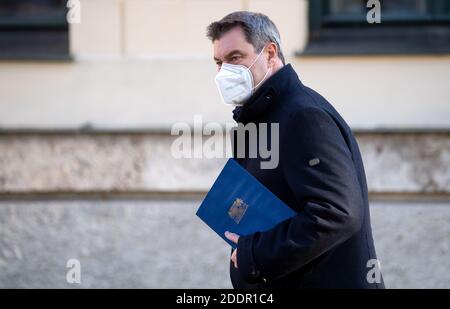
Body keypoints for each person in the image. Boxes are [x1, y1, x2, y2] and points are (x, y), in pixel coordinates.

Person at [206, 11, 385, 289]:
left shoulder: (302, 115)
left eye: (235, 58)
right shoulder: (259, 117)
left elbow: (336, 213)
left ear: (270, 53)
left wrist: (255, 254)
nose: (224, 72)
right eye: (219, 62)